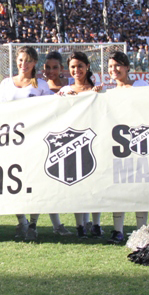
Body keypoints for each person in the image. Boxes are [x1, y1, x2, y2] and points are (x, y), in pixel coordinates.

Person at [0, 46, 71, 241]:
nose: (23, 64)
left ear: (34, 63)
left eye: (28, 61)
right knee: (14, 183)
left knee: (34, 183)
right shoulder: (6, 84)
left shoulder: (41, 86)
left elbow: (49, 112)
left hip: (34, 142)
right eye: (21, 60)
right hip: (11, 142)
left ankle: (33, 223)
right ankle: (20, 220)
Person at [58, 51, 104, 239]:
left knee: (96, 185)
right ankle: (79, 226)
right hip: (73, 144)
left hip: (96, 142)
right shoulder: (64, 91)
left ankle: (96, 224)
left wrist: (99, 96)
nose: (77, 70)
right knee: (78, 185)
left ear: (87, 67)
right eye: (73, 67)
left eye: (80, 66)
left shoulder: (99, 90)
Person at [105, 50, 149, 243]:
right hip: (119, 147)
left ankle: (142, 229)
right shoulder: (109, 93)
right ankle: (118, 230)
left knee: (141, 187)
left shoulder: (141, 86)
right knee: (119, 188)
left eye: (117, 65)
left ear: (127, 67)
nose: (114, 70)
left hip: (140, 145)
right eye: (110, 67)